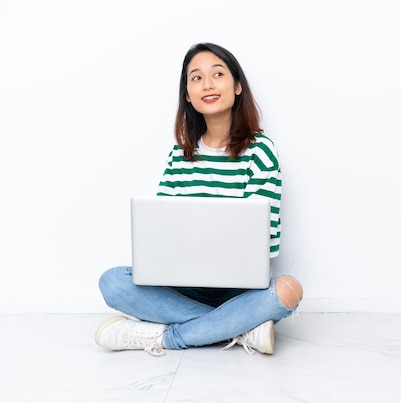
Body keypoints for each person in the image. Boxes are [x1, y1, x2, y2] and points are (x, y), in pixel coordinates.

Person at [95, 42, 303, 357]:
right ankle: (240, 327)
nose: (207, 84)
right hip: (181, 284)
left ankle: (166, 338)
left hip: (240, 289)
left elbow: (265, 241)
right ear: (188, 96)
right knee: (112, 282)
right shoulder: (179, 155)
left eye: (217, 74)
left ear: (236, 87)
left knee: (288, 290)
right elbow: (161, 232)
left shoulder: (260, 151)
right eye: (196, 78)